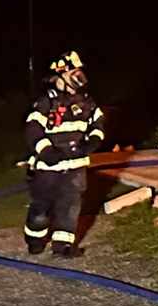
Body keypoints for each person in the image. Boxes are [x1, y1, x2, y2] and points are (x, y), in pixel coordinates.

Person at [24, 51, 103, 257]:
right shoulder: (45, 102)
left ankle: (63, 246)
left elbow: (97, 122)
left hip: (75, 166)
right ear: (60, 76)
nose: (79, 77)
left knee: (70, 206)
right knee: (42, 208)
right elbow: (33, 127)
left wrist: (93, 140)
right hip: (47, 169)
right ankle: (35, 238)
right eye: (73, 72)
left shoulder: (85, 101)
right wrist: (46, 150)